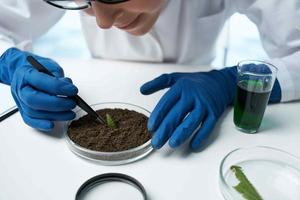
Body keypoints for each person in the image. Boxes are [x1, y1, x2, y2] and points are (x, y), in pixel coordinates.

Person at [0, 0, 299, 151]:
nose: (103, 22)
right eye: (86, 2)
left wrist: (229, 82)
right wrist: (11, 63)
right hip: (101, 85)